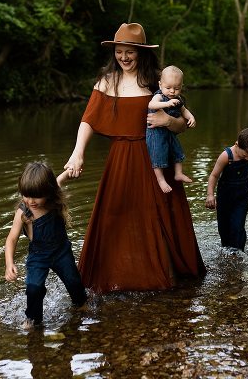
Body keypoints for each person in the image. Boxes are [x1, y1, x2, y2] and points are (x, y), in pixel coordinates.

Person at [64, 22, 205, 293]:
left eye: (130, 51)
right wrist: (77, 152)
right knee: (117, 215)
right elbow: (89, 120)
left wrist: (166, 120)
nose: (124, 57)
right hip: (122, 159)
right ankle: (117, 276)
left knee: (161, 215)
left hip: (157, 157)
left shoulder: (157, 81)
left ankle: (167, 275)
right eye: (119, 51)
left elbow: (179, 126)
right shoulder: (107, 81)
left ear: (141, 52)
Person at [4, 162, 88, 328]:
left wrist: (68, 172)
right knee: (33, 287)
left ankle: (81, 305)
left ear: (49, 192)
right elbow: (11, 239)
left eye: (36, 196)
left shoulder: (52, 200)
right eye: (26, 195)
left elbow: (58, 181)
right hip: (39, 255)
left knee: (74, 282)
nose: (31, 201)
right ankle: (33, 318)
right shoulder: (23, 213)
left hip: (61, 251)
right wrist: (9, 264)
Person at [205, 128, 248, 250]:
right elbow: (214, 175)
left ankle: (238, 251)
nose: (247, 159)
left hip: (242, 196)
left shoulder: (245, 153)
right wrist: (210, 195)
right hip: (225, 197)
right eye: (245, 156)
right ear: (237, 144)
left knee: (238, 225)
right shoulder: (227, 156)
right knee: (224, 226)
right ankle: (226, 249)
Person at [146, 65, 196, 193]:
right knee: (158, 155)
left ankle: (178, 173)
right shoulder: (159, 96)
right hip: (156, 134)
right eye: (168, 88)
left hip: (170, 134)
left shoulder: (177, 99)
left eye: (176, 88)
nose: (172, 91)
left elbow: (184, 110)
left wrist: (191, 118)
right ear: (160, 85)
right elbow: (151, 104)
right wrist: (166, 104)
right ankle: (161, 180)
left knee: (177, 152)